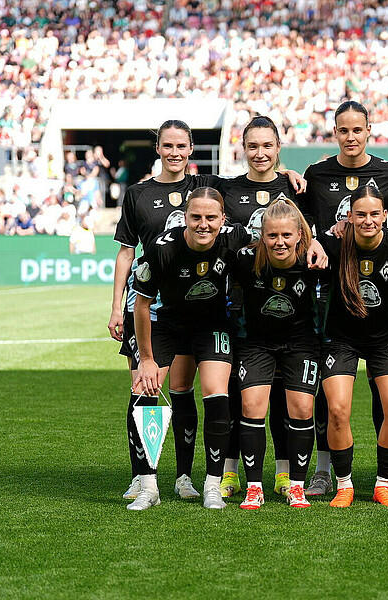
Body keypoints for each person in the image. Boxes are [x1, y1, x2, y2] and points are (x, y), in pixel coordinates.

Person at [297, 100, 388, 497]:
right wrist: (315, 239)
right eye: (343, 130)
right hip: (331, 295)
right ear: (334, 132)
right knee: (334, 404)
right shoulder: (316, 174)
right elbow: (302, 221)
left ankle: (387, 477)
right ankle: (329, 474)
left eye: (357, 130)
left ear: (368, 130)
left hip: (380, 306)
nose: (350, 137)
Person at [129, 186, 251, 510]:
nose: (203, 224)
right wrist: (147, 360)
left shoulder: (234, 237)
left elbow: (269, 242)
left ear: (223, 219)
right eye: (195, 217)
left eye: (211, 217)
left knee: (216, 393)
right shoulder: (161, 248)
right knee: (145, 390)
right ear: (184, 218)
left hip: (212, 324)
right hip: (168, 324)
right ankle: (148, 485)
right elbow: (142, 305)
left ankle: (213, 484)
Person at [109, 120, 208, 503]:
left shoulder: (204, 188)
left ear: (191, 148)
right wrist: (117, 306)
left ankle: (183, 476)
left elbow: (252, 181)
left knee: (182, 389)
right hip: (145, 306)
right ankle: (143, 477)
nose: (175, 152)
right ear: (158, 148)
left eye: (181, 145)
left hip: (189, 306)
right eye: (168, 145)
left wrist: (286, 172)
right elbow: (125, 252)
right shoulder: (138, 193)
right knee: (143, 390)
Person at [212, 116, 301, 500]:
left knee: (283, 393)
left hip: (285, 307)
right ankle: (230, 471)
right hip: (237, 303)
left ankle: (284, 473)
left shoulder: (296, 187)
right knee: (238, 392)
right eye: (253, 146)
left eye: (267, 145)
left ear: (278, 148)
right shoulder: (226, 189)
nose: (260, 153)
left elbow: (309, 234)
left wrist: (290, 174)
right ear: (243, 148)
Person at [317, 186, 388, 507]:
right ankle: (344, 485)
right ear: (349, 217)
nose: (368, 220)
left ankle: (384, 483)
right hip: (340, 338)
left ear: (385, 216)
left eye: (374, 214)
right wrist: (318, 238)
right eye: (361, 214)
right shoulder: (332, 243)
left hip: (386, 337)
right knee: (338, 409)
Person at [231, 198, 321, 510]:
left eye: (286, 235)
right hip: (258, 343)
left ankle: (297, 486)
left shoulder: (313, 260)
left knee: (302, 410)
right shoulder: (245, 259)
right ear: (262, 235)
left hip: (301, 343)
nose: (279, 242)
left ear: (299, 235)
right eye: (272, 236)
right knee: (252, 406)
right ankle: (254, 487)